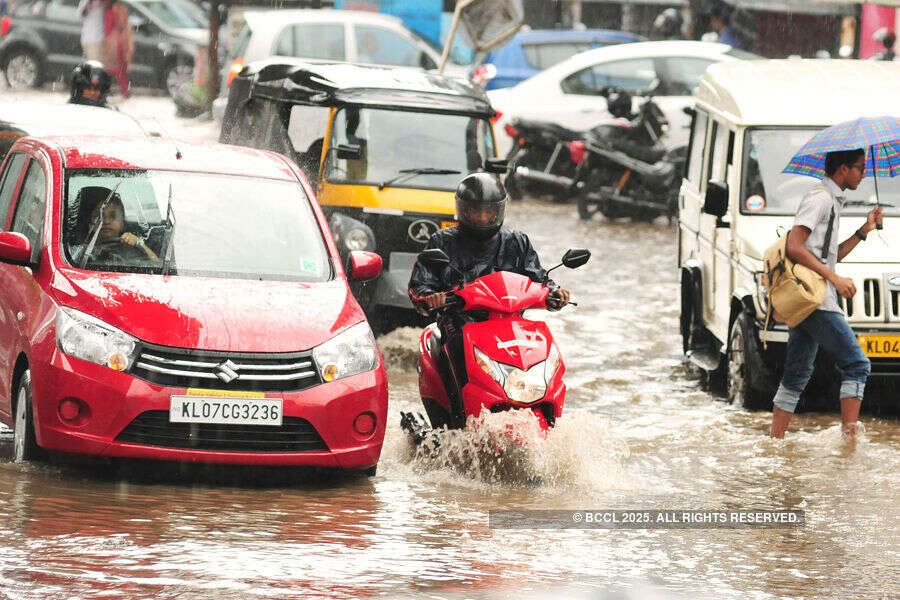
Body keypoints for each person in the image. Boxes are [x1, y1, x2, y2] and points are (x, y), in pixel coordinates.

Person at [408, 173, 570, 426]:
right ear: (462, 210)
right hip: (461, 323)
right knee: (460, 341)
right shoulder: (441, 241)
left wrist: (555, 292)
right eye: (475, 212)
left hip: (511, 323)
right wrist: (433, 298)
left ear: (500, 210)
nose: (482, 218)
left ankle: (549, 415)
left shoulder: (516, 241)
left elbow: (539, 278)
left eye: (488, 212)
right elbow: (420, 286)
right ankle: (461, 419)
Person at [771, 149, 882, 440]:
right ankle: (850, 444)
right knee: (857, 364)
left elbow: (829, 256)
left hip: (812, 298)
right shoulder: (820, 198)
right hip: (816, 299)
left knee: (796, 375)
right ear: (843, 169)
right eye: (860, 168)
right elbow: (794, 246)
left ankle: (776, 442)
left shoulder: (832, 201)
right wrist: (833, 277)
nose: (863, 174)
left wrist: (863, 230)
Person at [76, 194, 159, 264]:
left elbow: (156, 267)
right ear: (90, 225)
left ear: (122, 223)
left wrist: (139, 244)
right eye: (99, 217)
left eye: (113, 216)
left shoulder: (131, 250)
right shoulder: (81, 252)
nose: (106, 221)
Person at [102, 0, 133, 99]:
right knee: (120, 70)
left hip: (114, 43)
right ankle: (124, 91)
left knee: (113, 68)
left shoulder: (111, 12)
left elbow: (108, 29)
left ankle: (106, 89)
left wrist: (109, 43)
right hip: (121, 42)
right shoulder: (120, 8)